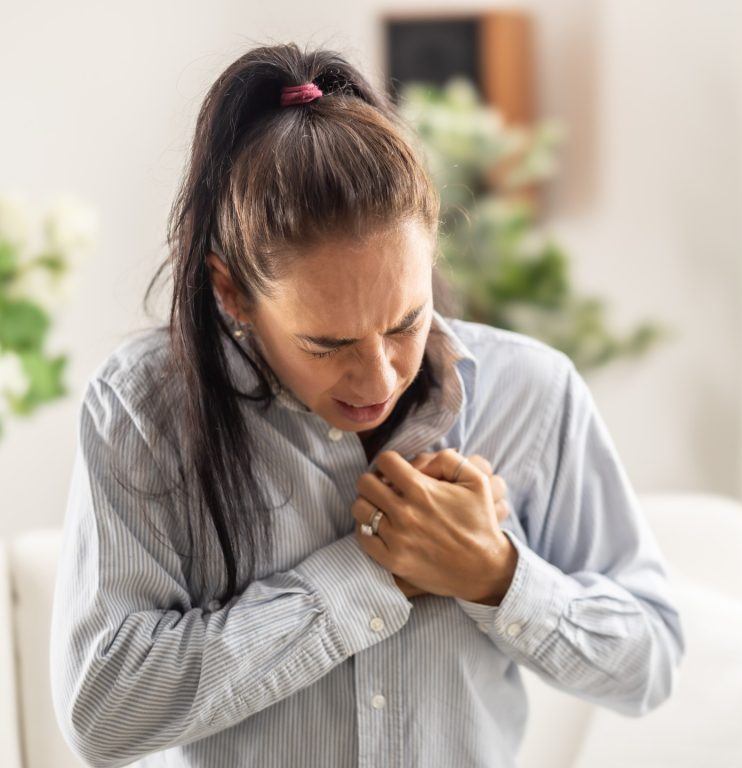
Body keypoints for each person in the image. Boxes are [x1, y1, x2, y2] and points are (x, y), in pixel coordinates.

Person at [49, 42, 684, 768]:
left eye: (406, 321)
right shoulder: (141, 410)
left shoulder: (532, 392)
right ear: (231, 293)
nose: (379, 377)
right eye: (327, 343)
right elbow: (102, 712)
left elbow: (650, 664)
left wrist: (493, 574)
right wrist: (372, 573)